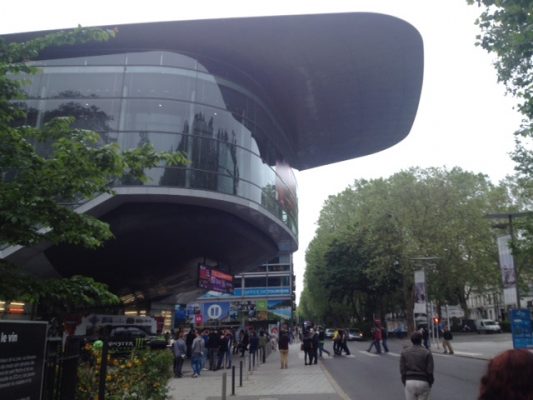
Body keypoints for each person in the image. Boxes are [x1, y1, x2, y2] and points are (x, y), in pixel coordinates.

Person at [400, 331, 434, 400]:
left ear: (411, 340)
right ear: (421, 340)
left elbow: (402, 370)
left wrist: (404, 381)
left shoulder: (404, 352)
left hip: (409, 381)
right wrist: (430, 382)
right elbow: (430, 370)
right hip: (423, 381)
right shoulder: (427, 352)